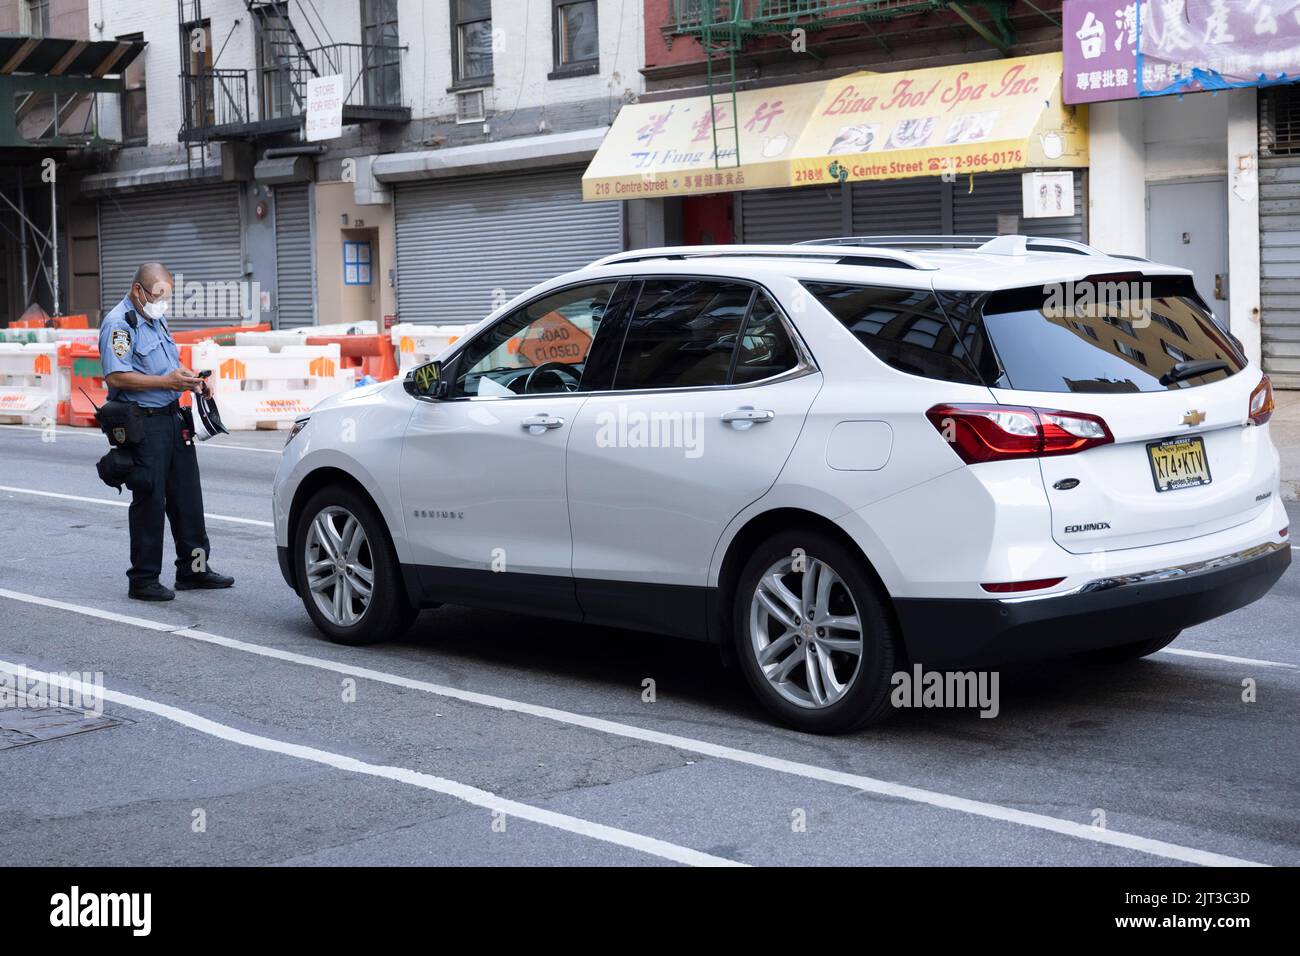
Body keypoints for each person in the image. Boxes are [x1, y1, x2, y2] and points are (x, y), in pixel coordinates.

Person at [98, 262, 234, 601]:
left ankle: (195, 570)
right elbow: (116, 378)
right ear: (137, 291)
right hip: (145, 424)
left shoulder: (155, 317)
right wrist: (167, 382)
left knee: (188, 498)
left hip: (174, 418)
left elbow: (168, 366)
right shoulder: (119, 324)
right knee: (150, 498)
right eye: (157, 296)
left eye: (167, 297)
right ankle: (143, 580)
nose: (162, 303)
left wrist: (191, 380)